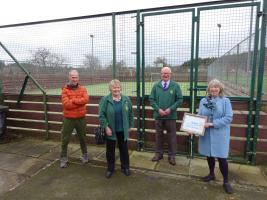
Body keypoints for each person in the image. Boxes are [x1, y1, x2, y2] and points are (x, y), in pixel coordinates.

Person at [198, 79, 233, 194]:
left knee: (222, 158)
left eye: (216, 87)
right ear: (208, 89)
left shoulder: (225, 101)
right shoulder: (203, 100)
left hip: (220, 135)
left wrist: (212, 124)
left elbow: (228, 118)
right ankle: (211, 174)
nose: (213, 89)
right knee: (209, 155)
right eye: (211, 87)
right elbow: (199, 116)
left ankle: (226, 181)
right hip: (206, 134)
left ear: (220, 89)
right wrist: (192, 128)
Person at [99, 79, 134, 178]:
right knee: (110, 151)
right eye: (114, 87)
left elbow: (131, 114)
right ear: (110, 89)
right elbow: (101, 115)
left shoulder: (126, 99)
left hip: (123, 130)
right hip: (111, 130)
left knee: (124, 149)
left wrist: (130, 126)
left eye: (118, 87)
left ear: (120, 88)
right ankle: (110, 169)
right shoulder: (105, 100)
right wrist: (106, 127)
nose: (116, 89)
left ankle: (125, 167)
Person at [149, 66, 183, 165]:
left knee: (172, 136)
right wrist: (158, 109)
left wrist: (170, 109)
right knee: (158, 136)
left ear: (170, 74)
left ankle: (172, 156)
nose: (165, 75)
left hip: (171, 117)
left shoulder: (175, 86)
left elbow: (180, 99)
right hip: (158, 116)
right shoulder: (156, 85)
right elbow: (151, 99)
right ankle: (158, 154)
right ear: (161, 74)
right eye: (163, 73)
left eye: (167, 73)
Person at [60, 69, 89, 168]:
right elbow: (66, 104)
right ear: (69, 77)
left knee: (82, 138)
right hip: (68, 119)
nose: (74, 79)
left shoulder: (83, 89)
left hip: (81, 118)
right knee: (65, 138)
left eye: (76, 77)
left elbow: (85, 99)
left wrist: (73, 100)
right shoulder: (64, 89)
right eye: (73, 77)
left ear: (78, 77)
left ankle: (85, 156)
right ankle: (63, 158)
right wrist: (79, 103)